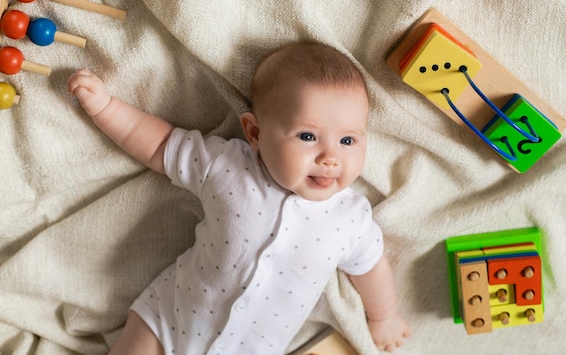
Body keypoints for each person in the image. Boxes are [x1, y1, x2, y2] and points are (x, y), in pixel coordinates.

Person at [68, 42, 410, 355]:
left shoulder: (350, 219)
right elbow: (160, 146)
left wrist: (384, 317)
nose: (330, 157)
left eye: (348, 141)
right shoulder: (228, 166)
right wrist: (106, 108)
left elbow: (371, 268)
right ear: (255, 133)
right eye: (308, 136)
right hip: (168, 321)